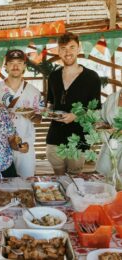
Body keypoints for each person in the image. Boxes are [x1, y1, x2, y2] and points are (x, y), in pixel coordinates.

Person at [46, 32, 101, 175]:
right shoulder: (53, 76)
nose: (67, 52)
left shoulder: (92, 77)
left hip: (78, 138)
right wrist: (47, 111)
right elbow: (51, 103)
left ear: (79, 49)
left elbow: (96, 111)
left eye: (72, 47)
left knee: (75, 180)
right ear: (58, 51)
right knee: (59, 177)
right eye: (63, 48)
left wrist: (75, 116)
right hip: (54, 137)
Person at [0, 49, 41, 177]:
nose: (15, 66)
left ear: (24, 66)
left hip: (25, 145)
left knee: (26, 182)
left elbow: (39, 119)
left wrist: (32, 116)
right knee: (2, 185)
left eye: (19, 63)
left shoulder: (33, 91)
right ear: (5, 66)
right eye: (11, 63)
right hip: (1, 145)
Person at [96, 89, 122, 175]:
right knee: (108, 182)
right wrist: (102, 126)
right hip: (111, 146)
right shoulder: (112, 97)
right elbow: (102, 118)